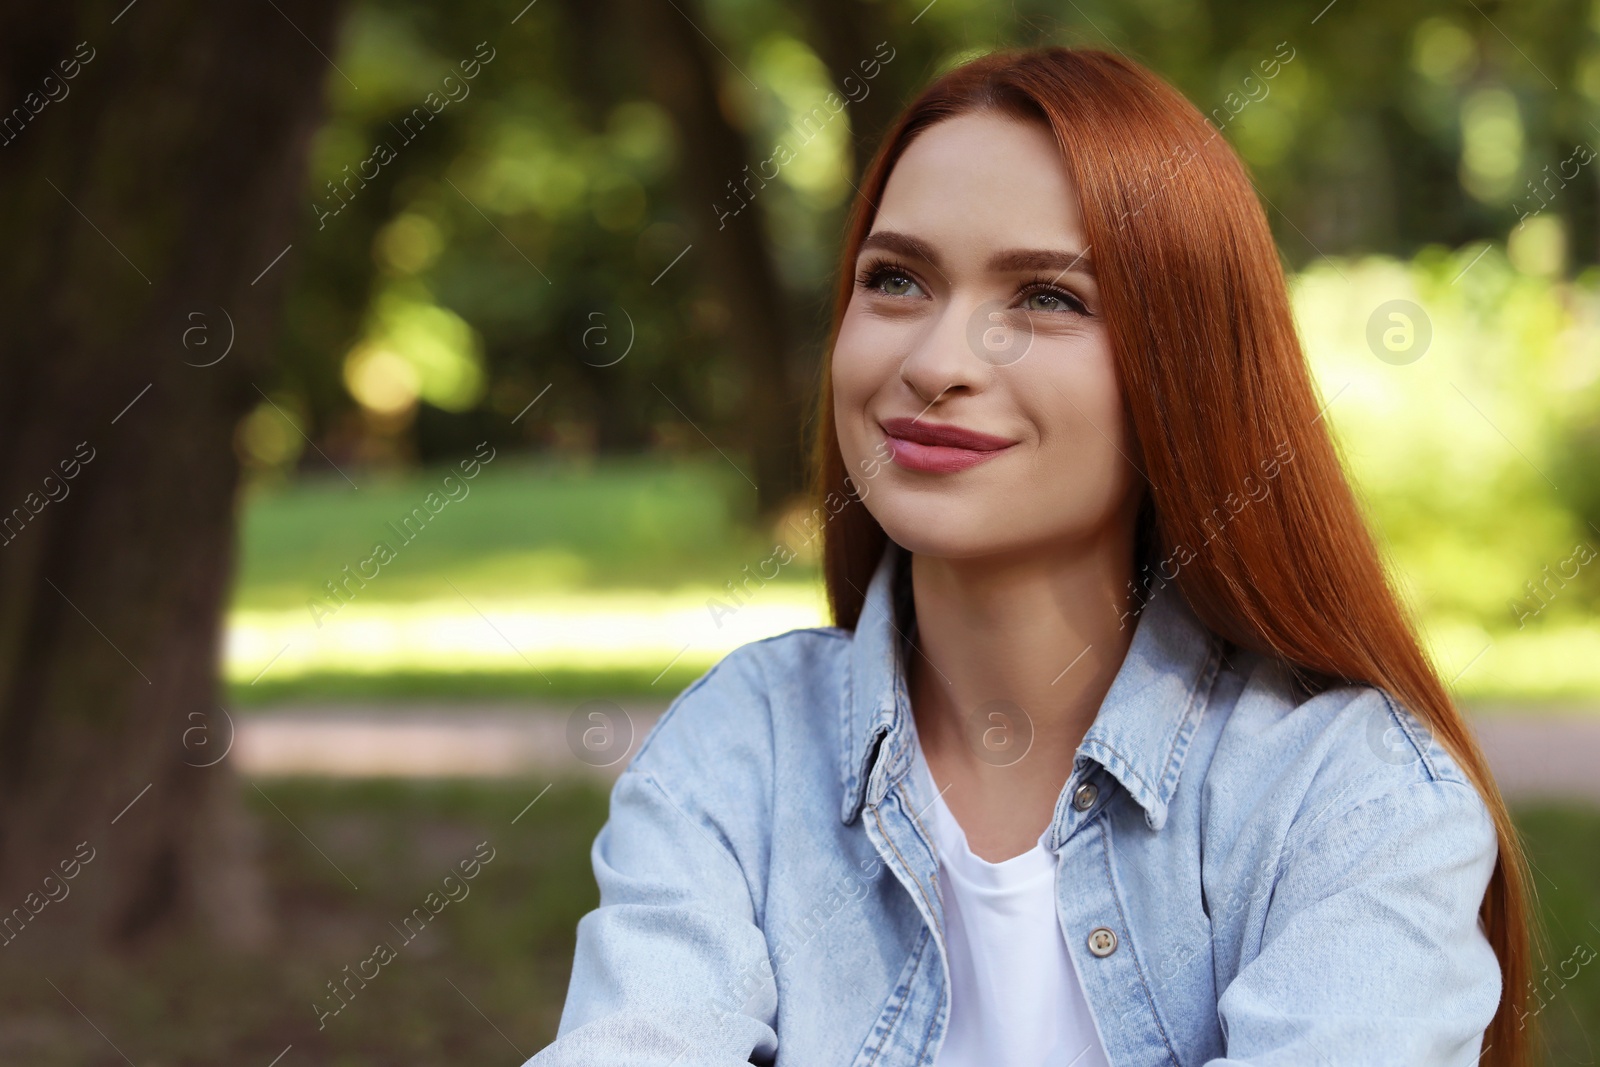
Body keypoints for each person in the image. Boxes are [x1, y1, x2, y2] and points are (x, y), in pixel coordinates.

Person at [525, 46, 1533, 1067]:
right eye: (897, 280)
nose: (936, 363)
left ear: (1187, 368)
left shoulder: (1353, 798)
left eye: (1046, 297)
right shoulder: (739, 752)